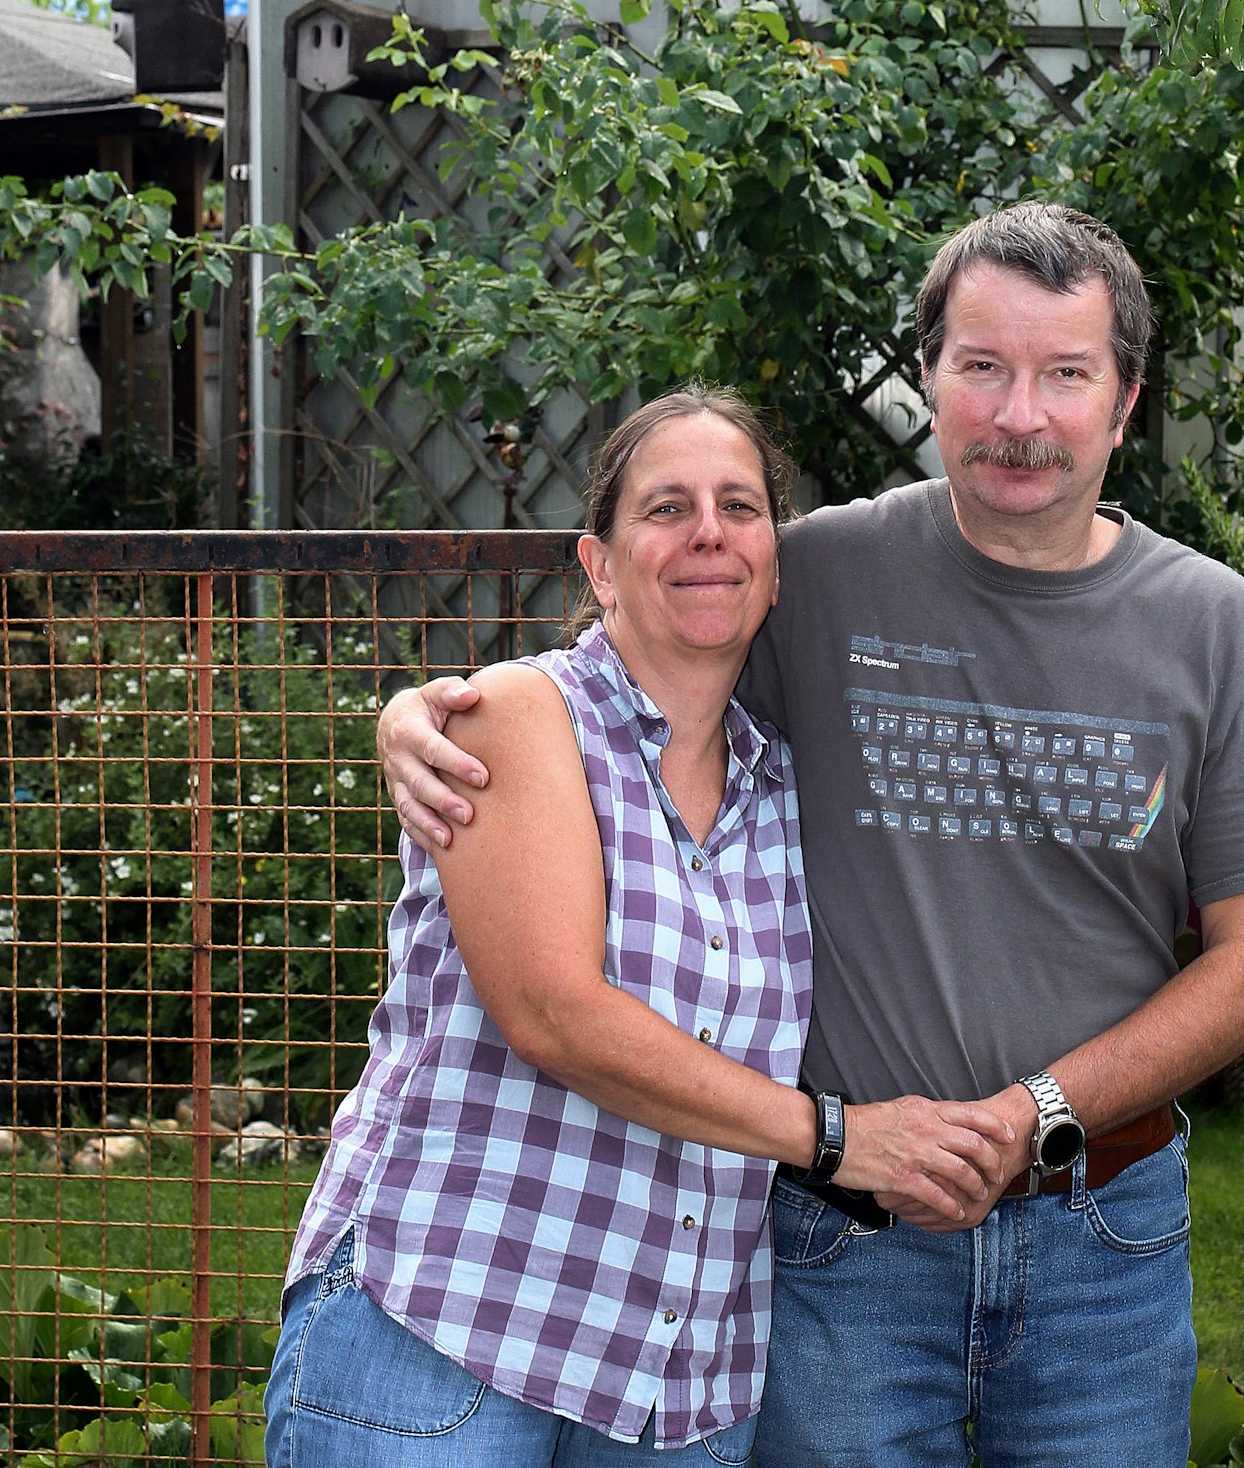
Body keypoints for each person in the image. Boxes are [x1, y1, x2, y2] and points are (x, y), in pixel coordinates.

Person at [382, 206, 1244, 1468]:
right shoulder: (812, 573)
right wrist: (423, 710)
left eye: (1065, 374)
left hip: (1100, 1233)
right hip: (843, 1242)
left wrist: (1035, 1110)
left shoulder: (1213, 627)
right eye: (981, 367)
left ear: (1123, 403)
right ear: (929, 382)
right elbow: (619, 660)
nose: (1020, 415)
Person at [267, 387, 1017, 1468]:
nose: (707, 530)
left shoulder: (785, 788)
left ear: (773, 560)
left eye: (738, 505)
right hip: (452, 1329)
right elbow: (553, 1012)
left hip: (676, 1387)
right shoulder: (524, 718)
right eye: (665, 507)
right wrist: (843, 1137)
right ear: (599, 563)